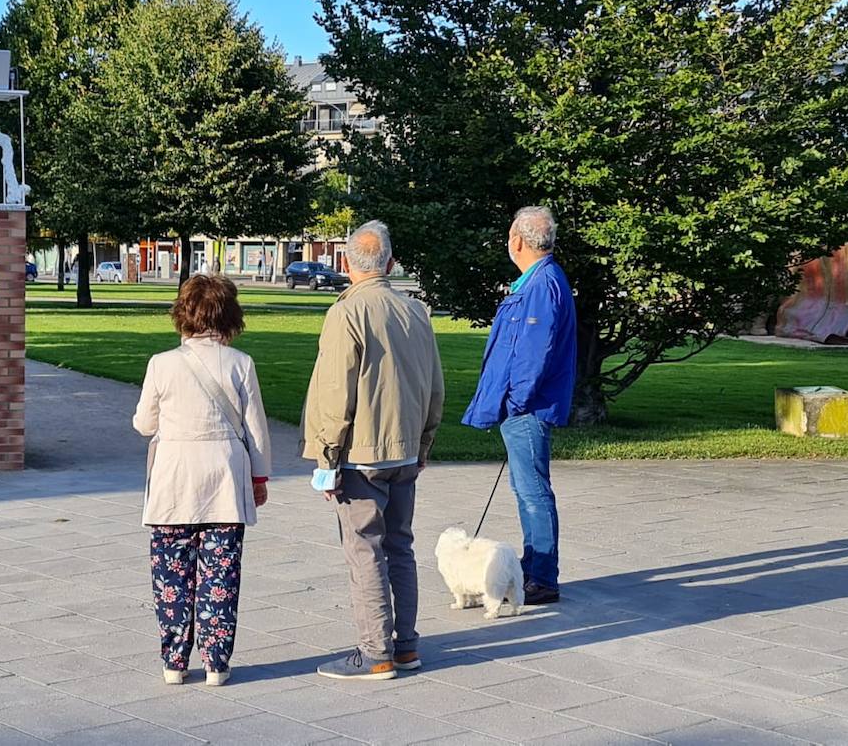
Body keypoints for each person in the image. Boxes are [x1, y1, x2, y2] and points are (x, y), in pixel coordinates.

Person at [302, 220, 444, 680]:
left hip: (362, 454)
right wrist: (424, 442)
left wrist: (326, 458)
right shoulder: (415, 311)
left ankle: (375, 651)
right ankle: (406, 646)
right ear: (390, 261)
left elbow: (333, 392)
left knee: (365, 550)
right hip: (404, 450)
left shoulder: (347, 312)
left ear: (346, 263)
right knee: (400, 547)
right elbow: (434, 386)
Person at [132, 275, 272, 687]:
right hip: (224, 479)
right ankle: (216, 662)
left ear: (183, 314)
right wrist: (259, 478)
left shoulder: (162, 363)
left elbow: (144, 424)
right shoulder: (240, 364)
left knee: (171, 576)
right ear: (230, 316)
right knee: (220, 576)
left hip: (174, 481)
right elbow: (257, 431)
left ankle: (175, 661)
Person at [463, 206, 577, 605]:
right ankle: (534, 570)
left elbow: (534, 353)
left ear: (517, 241)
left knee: (533, 491)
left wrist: (515, 400)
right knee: (525, 487)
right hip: (523, 406)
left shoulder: (542, 285)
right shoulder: (536, 281)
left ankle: (542, 577)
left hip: (528, 408)